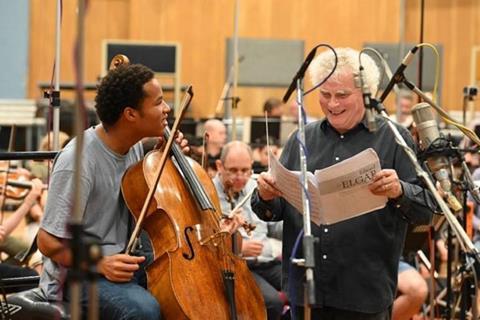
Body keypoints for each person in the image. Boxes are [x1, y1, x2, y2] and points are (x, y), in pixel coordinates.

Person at [37, 64, 244, 320]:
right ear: (131, 114)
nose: (167, 108)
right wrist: (100, 263)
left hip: (125, 260)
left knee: (197, 288)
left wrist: (162, 156)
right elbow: (47, 241)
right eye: (158, 103)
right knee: (144, 311)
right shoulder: (78, 162)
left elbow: (143, 191)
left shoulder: (133, 147)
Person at [251, 47, 437, 319]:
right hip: (307, 290)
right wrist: (266, 195)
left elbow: (427, 210)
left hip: (363, 292)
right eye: (325, 95)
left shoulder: (395, 139)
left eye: (342, 95)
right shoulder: (301, 138)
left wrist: (400, 190)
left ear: (366, 93)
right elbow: (272, 210)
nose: (332, 104)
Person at [213, 141, 284, 319]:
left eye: (245, 171)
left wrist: (298, 221)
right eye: (233, 170)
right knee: (272, 302)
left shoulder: (255, 187)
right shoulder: (208, 193)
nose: (240, 177)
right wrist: (238, 247)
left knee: (304, 288)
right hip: (239, 267)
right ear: (219, 166)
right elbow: (207, 240)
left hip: (267, 262)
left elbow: (275, 226)